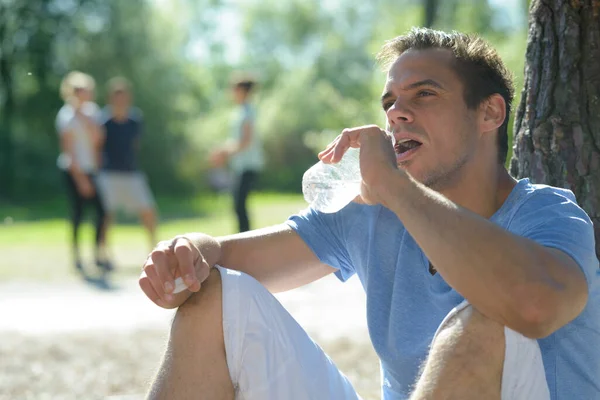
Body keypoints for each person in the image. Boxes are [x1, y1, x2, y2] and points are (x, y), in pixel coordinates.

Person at [139, 28, 600, 400]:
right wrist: (191, 253)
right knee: (213, 296)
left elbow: (535, 307)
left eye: (424, 95)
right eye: (390, 102)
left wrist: (395, 188)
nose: (397, 112)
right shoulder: (376, 212)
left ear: (489, 113)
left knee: (482, 321)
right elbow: (225, 260)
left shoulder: (547, 213)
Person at [97, 77, 158, 262]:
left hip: (131, 173)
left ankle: (155, 249)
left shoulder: (135, 119)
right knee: (107, 215)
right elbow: (98, 146)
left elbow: (135, 145)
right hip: (109, 173)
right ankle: (103, 253)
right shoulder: (103, 120)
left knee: (148, 210)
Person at [55, 71, 108, 273]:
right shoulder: (65, 115)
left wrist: (86, 119)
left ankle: (97, 253)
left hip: (92, 169)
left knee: (101, 212)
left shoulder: (93, 112)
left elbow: (99, 140)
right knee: (78, 212)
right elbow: (68, 152)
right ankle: (76, 255)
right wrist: (81, 180)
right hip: (74, 171)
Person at [210, 75, 264, 232]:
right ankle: (244, 238)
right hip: (240, 165)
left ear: (242, 91)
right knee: (238, 205)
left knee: (239, 205)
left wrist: (224, 152)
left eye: (234, 89)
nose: (232, 92)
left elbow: (245, 141)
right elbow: (237, 140)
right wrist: (223, 149)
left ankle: (245, 240)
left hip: (248, 164)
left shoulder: (247, 111)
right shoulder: (240, 111)